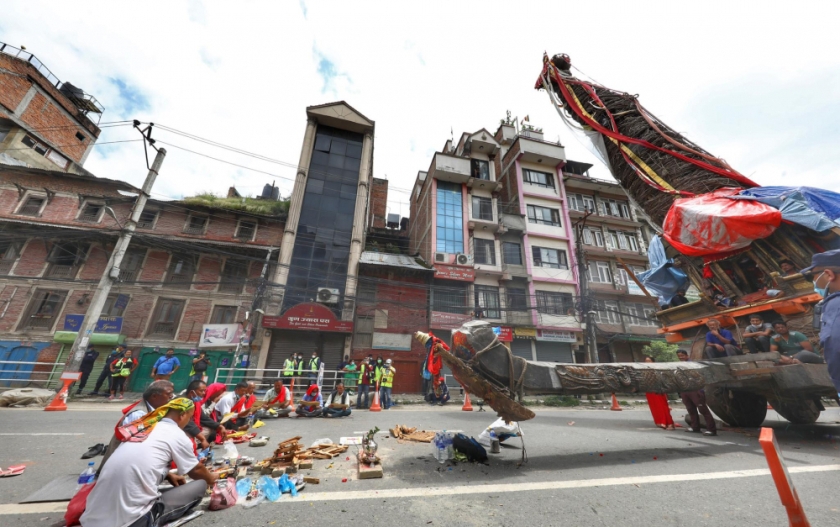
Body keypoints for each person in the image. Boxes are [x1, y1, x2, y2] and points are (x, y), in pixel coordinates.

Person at [81, 399, 217, 527]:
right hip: (132, 520)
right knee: (200, 485)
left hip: (91, 517)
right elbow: (196, 470)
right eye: (190, 418)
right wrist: (212, 480)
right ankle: (153, 516)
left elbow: (136, 460)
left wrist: (168, 475)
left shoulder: (145, 428)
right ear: (182, 415)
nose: (189, 422)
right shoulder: (177, 434)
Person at [801, 249, 840, 392]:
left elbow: (836, 347)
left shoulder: (835, 305)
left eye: (812, 276)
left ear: (829, 274)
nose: (813, 282)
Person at [676, 349, 717, 436]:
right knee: (690, 409)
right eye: (679, 357)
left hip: (696, 390)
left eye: (682, 356)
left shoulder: (694, 365)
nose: (681, 358)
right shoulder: (679, 365)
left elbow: (701, 377)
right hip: (685, 390)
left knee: (703, 410)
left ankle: (711, 429)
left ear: (687, 356)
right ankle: (695, 427)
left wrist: (700, 389)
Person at [642, 357, 675, 430]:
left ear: (653, 361)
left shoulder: (658, 368)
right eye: (646, 361)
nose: (647, 362)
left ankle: (668, 423)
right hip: (649, 390)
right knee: (654, 406)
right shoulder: (644, 370)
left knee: (662, 405)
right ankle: (659, 421)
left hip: (658, 389)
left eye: (649, 361)